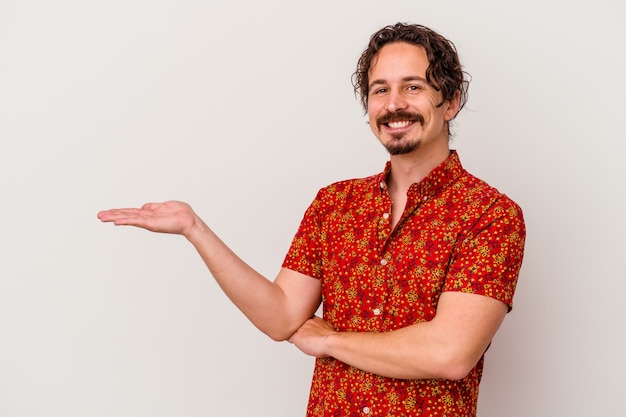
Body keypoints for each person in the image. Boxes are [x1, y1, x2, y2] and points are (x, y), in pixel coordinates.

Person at [98, 22, 526, 417]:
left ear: (450, 102)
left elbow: (449, 354)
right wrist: (196, 229)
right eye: (380, 90)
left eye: (412, 87)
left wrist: (329, 341)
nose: (394, 104)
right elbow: (282, 316)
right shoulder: (334, 204)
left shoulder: (489, 215)